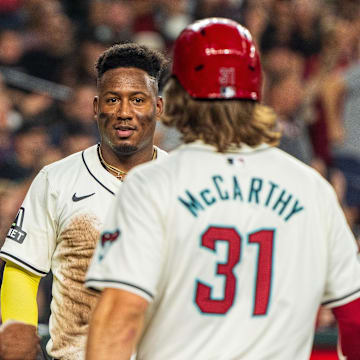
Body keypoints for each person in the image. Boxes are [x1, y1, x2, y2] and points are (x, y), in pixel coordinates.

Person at [85, 18, 360, 360]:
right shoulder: (312, 189)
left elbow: (119, 319)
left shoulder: (152, 183)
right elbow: (354, 321)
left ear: (176, 96)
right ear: (256, 94)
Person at [0, 42, 168, 360]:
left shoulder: (186, 182)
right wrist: (18, 325)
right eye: (112, 99)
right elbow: (22, 270)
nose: (124, 112)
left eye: (137, 100)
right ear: (95, 107)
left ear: (158, 107)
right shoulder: (56, 179)